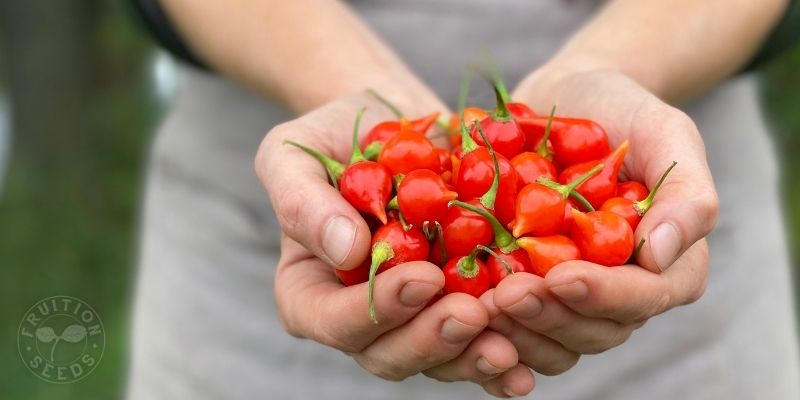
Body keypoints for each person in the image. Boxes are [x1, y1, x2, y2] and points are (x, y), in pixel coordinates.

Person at [127, 0, 800, 398]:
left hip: (677, 353)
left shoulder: (552, 195)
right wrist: (340, 78)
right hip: (248, 285)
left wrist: (620, 67)